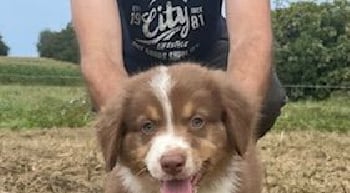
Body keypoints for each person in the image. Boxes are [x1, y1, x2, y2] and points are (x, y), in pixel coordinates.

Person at [71, 0, 286, 138]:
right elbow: (100, 56)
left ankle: (223, 166)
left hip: (207, 53)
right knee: (120, 120)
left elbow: (251, 39)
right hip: (134, 63)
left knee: (268, 97)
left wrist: (238, 130)